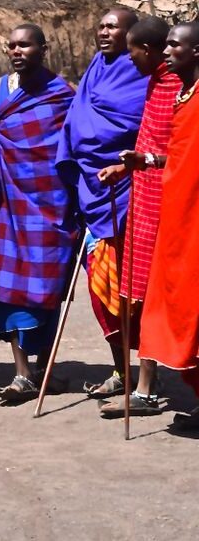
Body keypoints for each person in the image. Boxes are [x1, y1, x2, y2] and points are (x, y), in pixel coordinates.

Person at [0, 24, 78, 402]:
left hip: (48, 205)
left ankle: (41, 368)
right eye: (12, 46)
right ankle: (21, 374)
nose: (17, 51)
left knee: (46, 286)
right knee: (6, 287)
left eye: (25, 45)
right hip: (4, 201)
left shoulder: (63, 93)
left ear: (43, 47)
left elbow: (67, 147)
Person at [56, 9, 147, 398]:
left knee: (136, 290)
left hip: (128, 193)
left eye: (113, 26)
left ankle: (149, 377)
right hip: (92, 193)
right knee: (100, 287)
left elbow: (138, 126)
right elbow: (79, 120)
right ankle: (120, 367)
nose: (104, 32)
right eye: (102, 25)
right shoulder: (95, 66)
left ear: (131, 34)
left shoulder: (143, 73)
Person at [96, 17, 181, 418]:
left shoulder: (182, 88)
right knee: (142, 295)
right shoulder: (155, 83)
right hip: (145, 200)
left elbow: (180, 155)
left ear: (148, 49)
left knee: (172, 296)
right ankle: (146, 387)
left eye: (132, 50)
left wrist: (146, 161)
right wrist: (127, 168)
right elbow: (150, 141)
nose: (129, 58)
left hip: (176, 206)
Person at [138, 22, 199, 429]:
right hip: (177, 214)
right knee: (170, 300)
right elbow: (181, 157)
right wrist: (146, 161)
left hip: (195, 217)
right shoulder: (180, 94)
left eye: (176, 45)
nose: (167, 51)